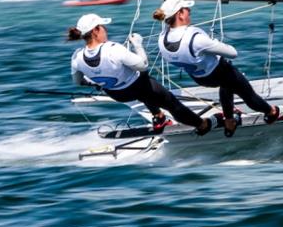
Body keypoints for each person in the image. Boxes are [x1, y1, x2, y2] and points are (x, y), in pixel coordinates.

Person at [152, 0, 283, 134]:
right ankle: (272, 113)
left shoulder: (162, 39)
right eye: (187, 9)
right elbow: (233, 53)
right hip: (221, 72)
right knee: (247, 94)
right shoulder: (197, 39)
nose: (190, 11)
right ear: (180, 14)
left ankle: (229, 120)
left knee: (226, 84)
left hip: (200, 78)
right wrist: (214, 42)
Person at [68, 13, 224, 136]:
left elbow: (78, 81)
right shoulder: (113, 48)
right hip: (139, 88)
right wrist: (138, 45)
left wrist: (96, 81)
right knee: (170, 103)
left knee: (141, 86)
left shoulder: (77, 57)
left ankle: (158, 117)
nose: (105, 30)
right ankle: (202, 124)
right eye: (102, 27)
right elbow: (142, 66)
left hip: (119, 95)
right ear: (95, 31)